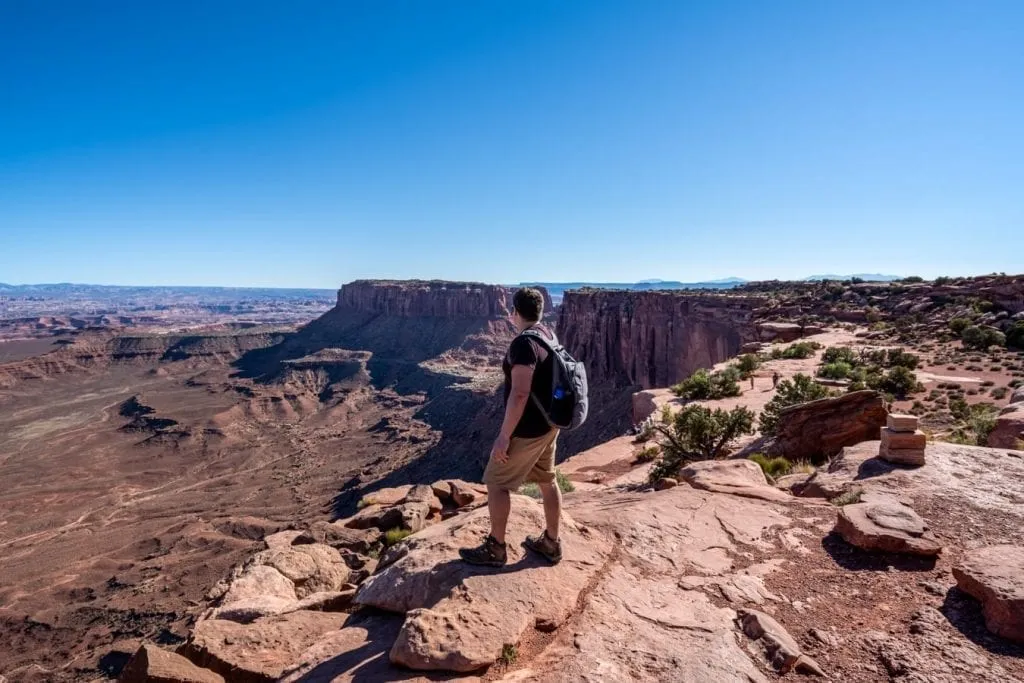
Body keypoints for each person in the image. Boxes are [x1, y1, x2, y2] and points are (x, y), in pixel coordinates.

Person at [460, 287, 563, 567]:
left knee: (496, 482)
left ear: (514, 312)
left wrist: (504, 436)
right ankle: (551, 543)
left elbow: (519, 394)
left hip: (528, 429)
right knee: (547, 480)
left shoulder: (523, 344)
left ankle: (496, 548)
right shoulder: (548, 335)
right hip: (549, 424)